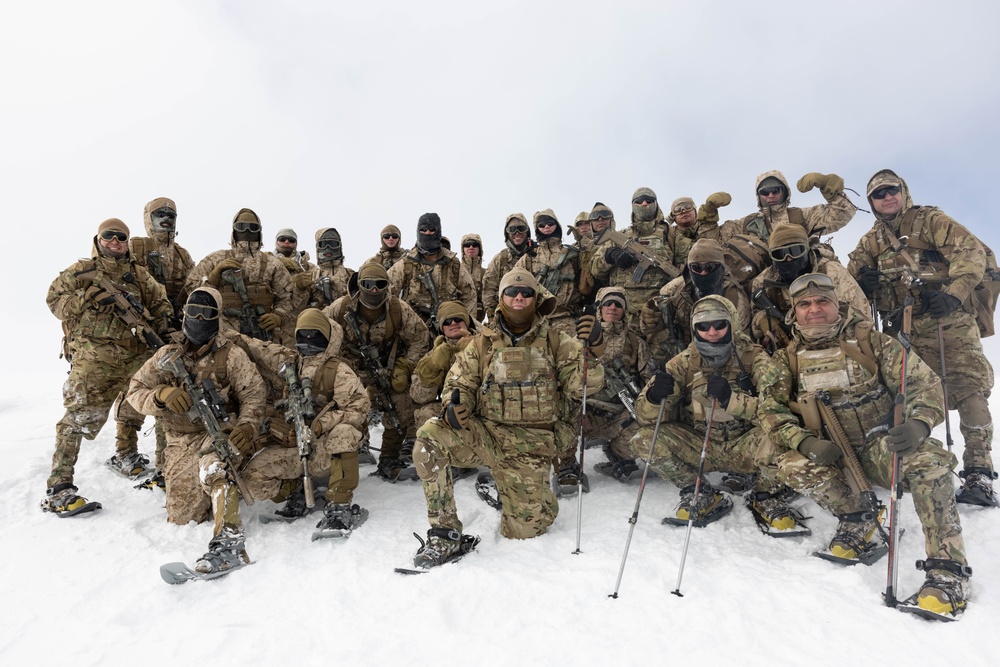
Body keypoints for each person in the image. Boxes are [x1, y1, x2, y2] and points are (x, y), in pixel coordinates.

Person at [756, 273, 970, 615]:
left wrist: (918, 424)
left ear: (836, 304)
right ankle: (858, 516)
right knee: (789, 465)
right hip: (833, 454)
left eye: (822, 301)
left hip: (880, 445)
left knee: (928, 461)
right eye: (805, 304)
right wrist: (804, 441)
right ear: (794, 312)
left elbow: (924, 385)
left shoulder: (874, 342)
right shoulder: (786, 360)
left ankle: (947, 571)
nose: (815, 310)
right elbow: (769, 410)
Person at [409, 268, 605, 568]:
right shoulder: (481, 344)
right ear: (501, 298)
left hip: (535, 443)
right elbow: (459, 384)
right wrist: (453, 406)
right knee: (429, 437)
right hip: (488, 435)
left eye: (526, 292)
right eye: (511, 292)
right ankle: (444, 533)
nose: (518, 298)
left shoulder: (557, 341)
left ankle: (529, 494)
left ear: (536, 298)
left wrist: (593, 349)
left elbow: (586, 386)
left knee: (525, 532)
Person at [847, 169, 996, 508]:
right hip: (904, 330)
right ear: (871, 202)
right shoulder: (871, 241)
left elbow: (970, 251)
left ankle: (979, 471)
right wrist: (862, 281)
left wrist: (955, 294)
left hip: (949, 321)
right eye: (878, 194)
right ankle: (925, 466)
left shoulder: (930, 220)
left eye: (891, 190)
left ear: (903, 191)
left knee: (969, 389)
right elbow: (849, 277)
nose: (887, 198)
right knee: (911, 396)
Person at [630, 295, 805, 533]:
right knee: (644, 439)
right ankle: (699, 491)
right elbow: (644, 418)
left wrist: (731, 400)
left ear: (731, 324)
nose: (711, 332)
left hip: (746, 447)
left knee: (784, 438)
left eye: (719, 324)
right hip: (702, 445)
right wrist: (654, 397)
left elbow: (777, 410)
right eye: (703, 327)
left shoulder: (754, 358)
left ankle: (766, 494)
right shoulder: (683, 363)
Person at [126, 286, 266, 573]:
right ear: (184, 314)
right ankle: (218, 494)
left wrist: (248, 425)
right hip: (178, 440)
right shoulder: (167, 355)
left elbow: (254, 393)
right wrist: (160, 395)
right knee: (182, 516)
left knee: (214, 467)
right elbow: (135, 391)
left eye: (207, 314)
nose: (199, 318)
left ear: (216, 319)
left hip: (217, 431)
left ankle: (229, 540)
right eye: (193, 312)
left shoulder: (232, 355)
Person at [42, 218, 172, 515]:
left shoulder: (139, 276)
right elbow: (54, 301)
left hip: (136, 357)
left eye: (121, 237)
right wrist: (85, 297)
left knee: (166, 406)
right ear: (98, 239)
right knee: (77, 419)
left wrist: (164, 327)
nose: (115, 242)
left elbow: (161, 303)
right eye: (109, 236)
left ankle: (167, 473)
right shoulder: (81, 272)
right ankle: (59, 488)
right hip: (94, 360)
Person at [239, 309, 372, 534]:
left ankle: (340, 504)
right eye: (304, 335)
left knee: (344, 432)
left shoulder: (337, 369)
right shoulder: (290, 362)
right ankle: (296, 490)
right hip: (298, 449)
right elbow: (258, 348)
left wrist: (322, 424)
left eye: (315, 335)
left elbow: (359, 407)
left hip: (325, 449)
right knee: (252, 478)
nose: (309, 341)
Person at [324, 263, 429, 480]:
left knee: (399, 403)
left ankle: (389, 458)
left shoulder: (398, 309)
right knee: (350, 405)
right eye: (368, 285)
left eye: (379, 285)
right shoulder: (341, 308)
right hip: (350, 370)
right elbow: (319, 334)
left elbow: (420, 338)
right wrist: (339, 367)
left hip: (387, 369)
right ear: (359, 285)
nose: (374, 290)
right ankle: (351, 451)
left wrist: (405, 365)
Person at [128, 197, 196, 489]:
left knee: (166, 391)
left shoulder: (181, 255)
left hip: (170, 334)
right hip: (137, 331)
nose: (166, 219)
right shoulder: (136, 247)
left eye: (171, 214)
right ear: (148, 218)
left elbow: (191, 289)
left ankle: (163, 460)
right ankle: (125, 451)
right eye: (159, 214)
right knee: (131, 389)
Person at [750, 223, 868, 354]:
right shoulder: (764, 281)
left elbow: (861, 315)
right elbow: (754, 316)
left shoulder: (832, 272)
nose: (788, 259)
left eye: (795, 251)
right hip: (788, 352)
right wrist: (766, 321)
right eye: (780, 254)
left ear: (807, 250)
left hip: (836, 344)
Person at [184, 208, 294, 342]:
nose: (247, 231)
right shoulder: (215, 259)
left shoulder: (273, 264)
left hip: (262, 336)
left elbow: (287, 297)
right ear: (234, 231)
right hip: (221, 336)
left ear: (259, 231)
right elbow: (190, 290)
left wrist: (278, 316)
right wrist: (213, 277)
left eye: (253, 227)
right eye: (241, 227)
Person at [640, 238, 751, 365]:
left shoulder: (734, 297)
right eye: (696, 267)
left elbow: (740, 343)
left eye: (709, 267)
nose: (703, 273)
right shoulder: (675, 289)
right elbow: (647, 329)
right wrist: (649, 317)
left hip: (720, 355)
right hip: (681, 350)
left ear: (721, 268)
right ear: (689, 269)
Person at [588, 287, 651, 482]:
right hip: (587, 410)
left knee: (646, 430)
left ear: (625, 310)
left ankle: (618, 453)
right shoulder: (585, 338)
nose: (612, 308)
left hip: (621, 411)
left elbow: (648, 378)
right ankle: (566, 465)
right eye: (607, 303)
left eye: (618, 304)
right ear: (600, 308)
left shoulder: (635, 342)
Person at [591, 188, 677, 327]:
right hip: (621, 313)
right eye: (639, 201)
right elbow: (595, 270)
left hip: (656, 312)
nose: (644, 204)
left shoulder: (671, 235)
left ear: (656, 204)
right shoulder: (620, 236)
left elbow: (682, 273)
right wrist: (610, 256)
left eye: (649, 200)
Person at [388, 212, 478, 337]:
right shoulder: (406, 264)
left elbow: (469, 296)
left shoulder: (453, 263)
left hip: (450, 327)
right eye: (423, 230)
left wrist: (465, 324)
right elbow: (386, 293)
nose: (428, 233)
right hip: (416, 330)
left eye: (432, 230)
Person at [515, 209, 583, 336]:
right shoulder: (529, 258)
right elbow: (514, 283)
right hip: (537, 320)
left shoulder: (572, 254)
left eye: (550, 223)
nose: (546, 226)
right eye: (541, 224)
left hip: (566, 318)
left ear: (557, 225)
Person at [268, 228, 316, 347]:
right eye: (282, 239)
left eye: (291, 240)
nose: (286, 242)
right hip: (271, 323)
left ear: (296, 243)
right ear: (276, 241)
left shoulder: (308, 268)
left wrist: (299, 287)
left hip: (296, 326)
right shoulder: (266, 261)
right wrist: (279, 262)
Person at [482, 213, 533, 319]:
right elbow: (489, 290)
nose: (517, 233)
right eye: (512, 229)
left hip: (533, 316)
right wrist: (493, 318)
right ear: (507, 233)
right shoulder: (500, 259)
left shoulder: (536, 255)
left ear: (527, 232)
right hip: (505, 317)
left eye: (521, 229)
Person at [301, 227, 355, 310]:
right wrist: (299, 289)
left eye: (332, 244)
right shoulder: (310, 277)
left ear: (339, 246)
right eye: (323, 244)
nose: (328, 248)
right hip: (318, 321)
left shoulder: (351, 275)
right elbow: (297, 307)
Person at [665, 195, 724, 268]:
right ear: (673, 217)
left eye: (687, 207)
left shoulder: (708, 227)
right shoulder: (669, 234)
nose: (683, 211)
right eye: (678, 210)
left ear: (695, 211)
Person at [460, 234, 487, 322]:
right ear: (463, 249)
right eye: (467, 245)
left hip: (479, 321)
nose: (471, 247)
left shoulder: (486, 273)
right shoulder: (455, 271)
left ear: (480, 249)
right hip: (457, 319)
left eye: (475, 245)